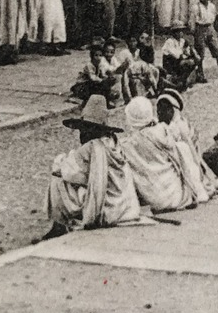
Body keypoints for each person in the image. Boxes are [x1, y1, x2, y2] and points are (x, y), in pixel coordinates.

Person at [43, 97, 143, 237]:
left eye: (85, 129)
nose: (82, 134)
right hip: (123, 205)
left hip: (105, 208)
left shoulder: (91, 148)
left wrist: (61, 161)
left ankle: (59, 224)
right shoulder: (113, 144)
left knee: (57, 178)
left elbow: (67, 172)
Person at [118, 96, 210, 212]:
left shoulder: (129, 144)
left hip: (154, 200)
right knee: (182, 147)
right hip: (179, 195)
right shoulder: (163, 131)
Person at [156, 88, 218, 194]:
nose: (161, 112)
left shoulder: (179, 126)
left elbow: (194, 155)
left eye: (165, 109)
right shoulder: (165, 126)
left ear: (174, 109)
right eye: (158, 109)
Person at [69, 38, 118, 104]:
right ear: (92, 56)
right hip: (83, 85)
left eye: (100, 55)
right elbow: (92, 77)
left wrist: (107, 78)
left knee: (107, 83)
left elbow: (102, 74)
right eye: (96, 55)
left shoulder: (100, 64)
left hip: (94, 83)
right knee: (97, 86)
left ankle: (107, 99)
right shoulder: (89, 65)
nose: (98, 58)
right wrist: (102, 80)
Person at [124, 32, 163, 100]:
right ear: (127, 43)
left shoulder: (139, 51)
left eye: (134, 41)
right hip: (131, 73)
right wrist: (138, 76)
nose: (132, 43)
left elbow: (146, 62)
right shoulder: (125, 53)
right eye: (130, 41)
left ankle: (154, 90)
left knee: (155, 71)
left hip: (141, 71)